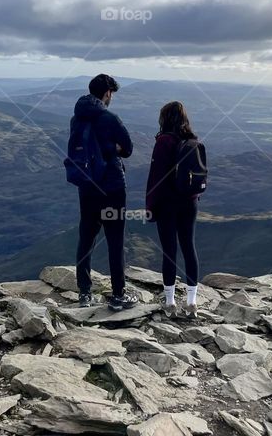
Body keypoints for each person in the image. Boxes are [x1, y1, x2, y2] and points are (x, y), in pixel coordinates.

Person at [70, 74, 138, 312]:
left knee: (86, 237)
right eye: (112, 94)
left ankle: (85, 293)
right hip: (111, 187)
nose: (112, 98)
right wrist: (112, 148)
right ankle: (118, 294)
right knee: (115, 240)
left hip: (87, 186)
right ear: (107, 92)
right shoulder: (110, 118)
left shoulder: (76, 118)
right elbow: (127, 148)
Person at [145, 101, 201, 318]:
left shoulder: (164, 142)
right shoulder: (192, 140)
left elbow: (155, 177)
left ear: (164, 118)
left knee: (169, 251)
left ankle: (169, 302)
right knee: (189, 247)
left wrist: (150, 206)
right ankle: (192, 302)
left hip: (168, 203)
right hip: (190, 202)